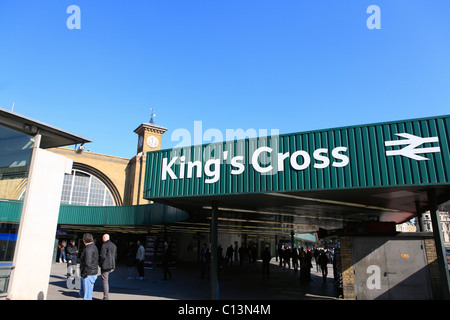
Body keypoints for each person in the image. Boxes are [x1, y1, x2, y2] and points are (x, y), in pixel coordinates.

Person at [79, 233, 99, 300]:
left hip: (88, 273)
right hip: (92, 272)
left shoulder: (88, 249)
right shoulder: (94, 247)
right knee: (86, 292)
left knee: (87, 296)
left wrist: (85, 273)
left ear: (84, 241)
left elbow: (88, 261)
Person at [99, 234, 117, 300]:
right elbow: (115, 256)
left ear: (104, 238)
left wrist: (100, 264)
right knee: (106, 280)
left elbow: (102, 256)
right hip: (112, 265)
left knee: (105, 281)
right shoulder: (114, 245)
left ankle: (106, 297)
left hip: (105, 265)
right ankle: (105, 296)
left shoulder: (104, 245)